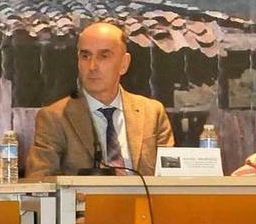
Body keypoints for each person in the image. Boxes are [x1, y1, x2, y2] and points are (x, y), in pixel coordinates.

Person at [26, 22, 174, 178]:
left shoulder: (152, 113)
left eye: (104, 56)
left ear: (124, 64)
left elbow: (172, 180)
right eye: (85, 56)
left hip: (143, 202)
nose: (92, 66)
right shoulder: (54, 118)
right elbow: (39, 182)